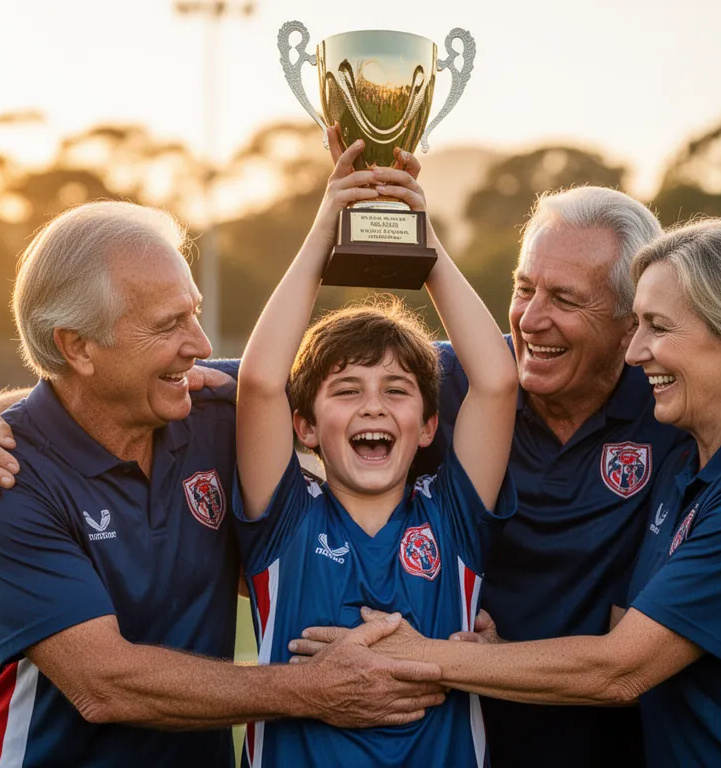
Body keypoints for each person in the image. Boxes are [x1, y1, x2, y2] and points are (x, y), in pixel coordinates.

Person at [0, 186, 721, 767]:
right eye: (521, 289)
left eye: (576, 303)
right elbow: (257, 381)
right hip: (497, 735)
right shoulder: (434, 380)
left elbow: (626, 664)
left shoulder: (677, 417)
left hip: (619, 740)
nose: (532, 319)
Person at [297, 218, 721, 767]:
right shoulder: (687, 472)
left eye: (657, 327)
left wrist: (417, 653)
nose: (636, 352)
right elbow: (632, 627)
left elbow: (621, 670)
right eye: (524, 288)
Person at [0, 201, 444, 767]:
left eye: (194, 313)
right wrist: (312, 689)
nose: (202, 346)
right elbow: (105, 684)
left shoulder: (214, 406)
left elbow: (411, 367)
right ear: (76, 346)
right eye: (168, 325)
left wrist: (451, 612)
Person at [233, 135, 517, 766]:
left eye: (396, 389)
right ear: (304, 427)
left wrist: (422, 237)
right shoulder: (286, 519)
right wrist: (325, 225)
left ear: (426, 427)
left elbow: (497, 383)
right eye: (346, 390)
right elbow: (258, 383)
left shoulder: (450, 516)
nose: (373, 406)